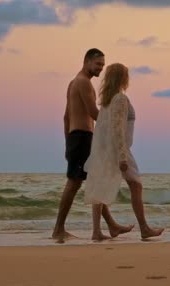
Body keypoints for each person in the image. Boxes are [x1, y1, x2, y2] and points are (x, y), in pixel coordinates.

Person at [52, 49, 133, 242]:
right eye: (98, 64)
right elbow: (93, 113)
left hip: (76, 137)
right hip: (82, 137)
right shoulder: (84, 83)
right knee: (73, 183)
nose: (100, 69)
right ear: (87, 61)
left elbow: (66, 117)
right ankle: (58, 229)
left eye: (103, 66)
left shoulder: (74, 82)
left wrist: (67, 142)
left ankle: (111, 225)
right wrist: (114, 126)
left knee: (94, 182)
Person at [84, 63, 165, 241]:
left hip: (106, 149)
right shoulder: (120, 99)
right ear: (123, 78)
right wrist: (122, 156)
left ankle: (97, 232)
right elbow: (117, 129)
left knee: (100, 187)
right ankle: (144, 228)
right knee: (136, 185)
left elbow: (103, 129)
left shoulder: (106, 100)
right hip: (119, 149)